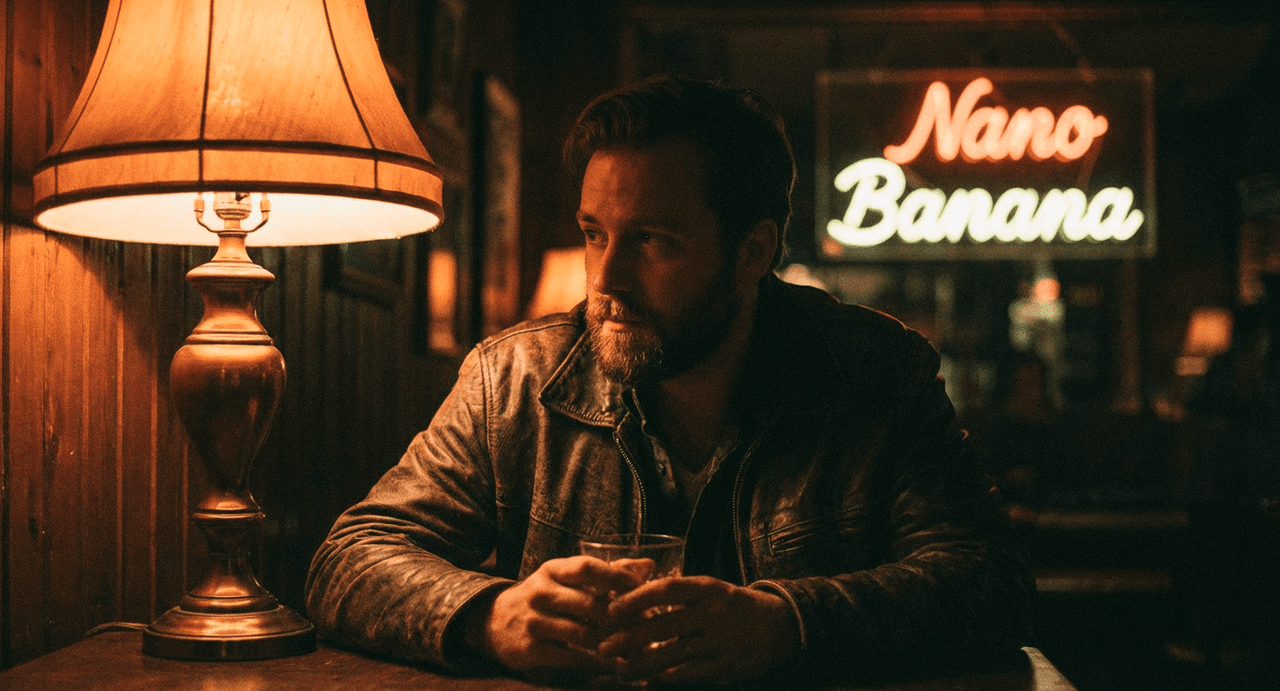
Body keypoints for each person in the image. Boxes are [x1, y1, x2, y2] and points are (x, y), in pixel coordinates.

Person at [306, 76, 1034, 687]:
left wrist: (785, 624)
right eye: (595, 234)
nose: (607, 279)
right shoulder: (514, 379)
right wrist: (491, 616)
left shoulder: (875, 374)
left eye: (652, 241)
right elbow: (350, 558)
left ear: (751, 254)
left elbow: (991, 581)